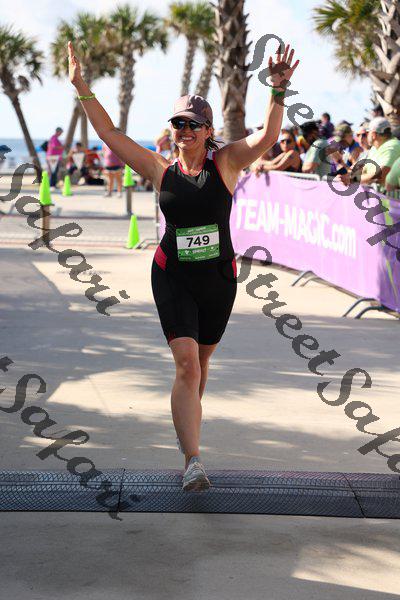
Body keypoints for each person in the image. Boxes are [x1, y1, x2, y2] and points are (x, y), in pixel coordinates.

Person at [68, 40, 299, 491]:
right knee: (187, 365)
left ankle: (187, 426)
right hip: (172, 275)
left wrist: (277, 90)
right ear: (171, 129)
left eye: (193, 123)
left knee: (201, 367)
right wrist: (81, 86)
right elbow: (110, 134)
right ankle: (193, 460)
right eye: (178, 123)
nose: (185, 129)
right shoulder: (159, 169)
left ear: (208, 129)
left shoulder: (226, 163)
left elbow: (268, 138)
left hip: (218, 280)